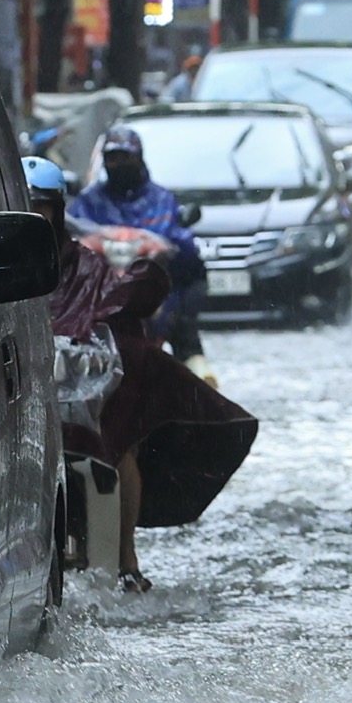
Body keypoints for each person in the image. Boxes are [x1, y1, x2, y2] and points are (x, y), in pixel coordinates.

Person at [29, 158, 258, 590]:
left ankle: (125, 554)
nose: (31, 218)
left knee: (122, 441)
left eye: (38, 207)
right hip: (14, 396)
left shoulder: (89, 265)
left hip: (81, 394)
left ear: (56, 209)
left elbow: (124, 316)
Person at [69, 125, 207, 365]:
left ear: (139, 158)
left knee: (186, 328)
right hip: (99, 295)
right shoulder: (89, 202)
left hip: (156, 295)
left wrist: (172, 248)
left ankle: (196, 369)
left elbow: (183, 243)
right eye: (113, 158)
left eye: (126, 157)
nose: (120, 164)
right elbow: (70, 237)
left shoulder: (162, 200)